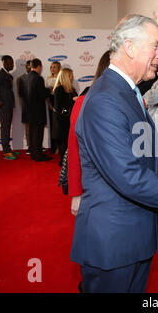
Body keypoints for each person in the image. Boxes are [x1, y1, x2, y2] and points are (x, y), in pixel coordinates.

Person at [69, 14, 158, 293]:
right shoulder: (106, 99)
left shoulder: (125, 90)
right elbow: (127, 175)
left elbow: (138, 157)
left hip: (132, 235)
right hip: (114, 242)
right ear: (131, 47)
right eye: (156, 46)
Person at [68, 50, 111, 217]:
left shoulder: (138, 99)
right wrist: (76, 192)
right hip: (97, 188)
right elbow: (74, 147)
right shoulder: (83, 102)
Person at [0, 55, 19, 160]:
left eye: (13, 62)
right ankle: (6, 152)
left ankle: (8, 149)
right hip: (3, 106)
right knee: (5, 128)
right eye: (10, 63)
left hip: (8, 105)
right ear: (4, 63)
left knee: (6, 127)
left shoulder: (7, 75)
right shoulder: (0, 74)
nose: (12, 65)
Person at [27, 58, 53, 162]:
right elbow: (41, 95)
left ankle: (34, 154)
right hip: (37, 111)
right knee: (38, 134)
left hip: (29, 110)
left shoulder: (27, 77)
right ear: (39, 66)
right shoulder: (38, 78)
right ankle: (38, 156)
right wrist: (49, 90)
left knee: (33, 133)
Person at [53, 68, 77, 166]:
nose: (72, 77)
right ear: (66, 76)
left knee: (69, 142)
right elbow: (59, 107)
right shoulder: (59, 89)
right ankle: (64, 163)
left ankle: (69, 161)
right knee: (63, 143)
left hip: (69, 120)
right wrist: (73, 100)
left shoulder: (71, 89)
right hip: (62, 121)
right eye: (71, 75)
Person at [45, 61, 61, 154]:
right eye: (51, 67)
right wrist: (50, 105)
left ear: (59, 68)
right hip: (51, 102)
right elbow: (47, 95)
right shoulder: (48, 79)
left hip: (60, 102)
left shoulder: (61, 79)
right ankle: (54, 147)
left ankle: (61, 146)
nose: (52, 69)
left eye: (54, 67)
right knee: (52, 125)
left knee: (60, 125)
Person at [17, 60, 31, 154]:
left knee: (36, 128)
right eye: (28, 66)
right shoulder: (21, 78)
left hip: (37, 108)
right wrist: (24, 106)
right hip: (27, 107)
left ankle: (37, 146)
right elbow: (20, 94)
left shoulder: (38, 77)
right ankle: (30, 146)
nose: (29, 68)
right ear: (25, 67)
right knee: (28, 128)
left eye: (31, 66)